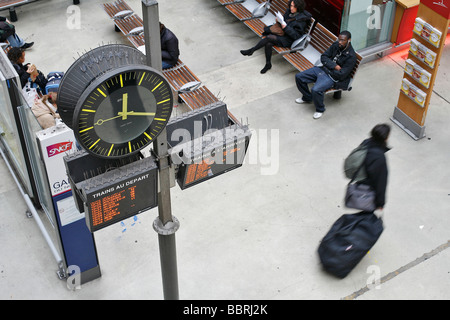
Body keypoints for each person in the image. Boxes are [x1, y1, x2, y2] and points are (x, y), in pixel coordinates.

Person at [295, 30, 356, 119]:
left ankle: (320, 109)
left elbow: (341, 74)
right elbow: (323, 57)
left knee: (315, 90)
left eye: (343, 40)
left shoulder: (351, 56)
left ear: (349, 40)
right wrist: (334, 66)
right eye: (339, 39)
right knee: (299, 77)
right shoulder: (336, 45)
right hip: (322, 69)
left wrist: (329, 66)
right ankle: (307, 97)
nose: (340, 42)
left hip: (331, 77)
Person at [240, 0, 312, 74]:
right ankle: (268, 64)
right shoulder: (289, 12)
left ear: (299, 7)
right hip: (282, 34)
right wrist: (279, 21)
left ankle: (252, 50)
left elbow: (296, 36)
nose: (291, 8)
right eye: (291, 5)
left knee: (269, 38)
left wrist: (285, 27)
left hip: (289, 39)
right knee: (268, 43)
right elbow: (284, 21)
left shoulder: (302, 20)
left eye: (294, 6)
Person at [360, 123, 391, 213]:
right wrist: (380, 203)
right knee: (367, 211)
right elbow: (381, 183)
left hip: (360, 179)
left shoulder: (365, 143)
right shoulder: (380, 158)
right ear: (385, 138)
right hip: (369, 188)